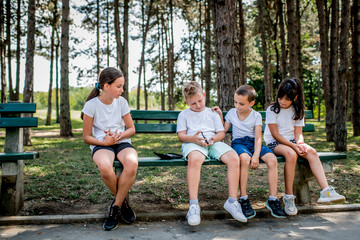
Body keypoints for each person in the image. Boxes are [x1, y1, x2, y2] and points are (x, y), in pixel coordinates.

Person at [264, 77, 345, 216]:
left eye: (287, 99)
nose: (282, 101)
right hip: (274, 142)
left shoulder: (298, 110)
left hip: (291, 142)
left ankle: (326, 191)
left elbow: (298, 134)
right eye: (280, 97)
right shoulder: (272, 109)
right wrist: (294, 147)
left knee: (311, 152)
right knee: (291, 154)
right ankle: (289, 197)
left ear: (295, 98)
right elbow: (275, 135)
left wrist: (300, 143)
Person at [177, 81, 247, 226]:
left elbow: (221, 133)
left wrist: (214, 138)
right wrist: (193, 139)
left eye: (200, 101)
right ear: (187, 102)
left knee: (234, 158)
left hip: (213, 142)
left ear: (203, 95)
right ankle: (194, 206)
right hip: (193, 143)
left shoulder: (212, 112)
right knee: (195, 159)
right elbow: (181, 136)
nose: (197, 105)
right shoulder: (184, 115)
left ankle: (232, 202)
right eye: (193, 104)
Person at [213, 85, 286, 219]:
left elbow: (258, 137)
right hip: (239, 143)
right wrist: (219, 114)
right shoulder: (231, 113)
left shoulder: (256, 116)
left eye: (241, 103)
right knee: (245, 159)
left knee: (272, 160)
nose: (237, 106)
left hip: (254, 143)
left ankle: (273, 199)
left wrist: (256, 156)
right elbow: (222, 130)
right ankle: (244, 198)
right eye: (235, 102)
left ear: (251, 103)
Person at [82, 67, 138, 231]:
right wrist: (106, 143)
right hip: (101, 143)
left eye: (122, 86)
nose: (122, 90)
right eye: (118, 86)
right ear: (106, 86)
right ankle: (123, 204)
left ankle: (115, 208)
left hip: (121, 141)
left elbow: (131, 129)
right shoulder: (91, 105)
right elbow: (86, 137)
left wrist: (120, 135)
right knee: (106, 168)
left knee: (132, 163)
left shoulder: (122, 102)